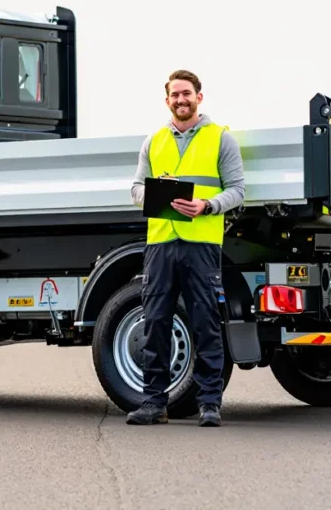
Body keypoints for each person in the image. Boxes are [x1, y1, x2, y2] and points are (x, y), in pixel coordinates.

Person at [125, 69, 245, 426]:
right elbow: (134, 190)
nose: (181, 100)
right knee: (157, 323)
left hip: (201, 244)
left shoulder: (220, 138)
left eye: (187, 94)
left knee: (205, 322)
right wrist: (154, 192)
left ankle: (209, 404)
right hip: (161, 243)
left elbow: (238, 190)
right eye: (175, 94)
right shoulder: (154, 140)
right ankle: (153, 404)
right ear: (167, 100)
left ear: (199, 97)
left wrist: (207, 206)